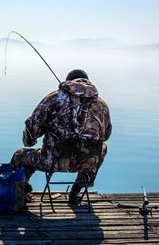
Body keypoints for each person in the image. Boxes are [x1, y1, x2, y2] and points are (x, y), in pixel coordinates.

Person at [11, 69, 112, 204]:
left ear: (68, 82)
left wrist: (29, 141)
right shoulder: (102, 105)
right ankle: (76, 190)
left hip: (51, 161)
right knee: (102, 148)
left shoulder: (53, 99)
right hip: (84, 164)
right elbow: (105, 136)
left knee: (19, 155)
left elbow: (32, 130)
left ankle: (20, 194)